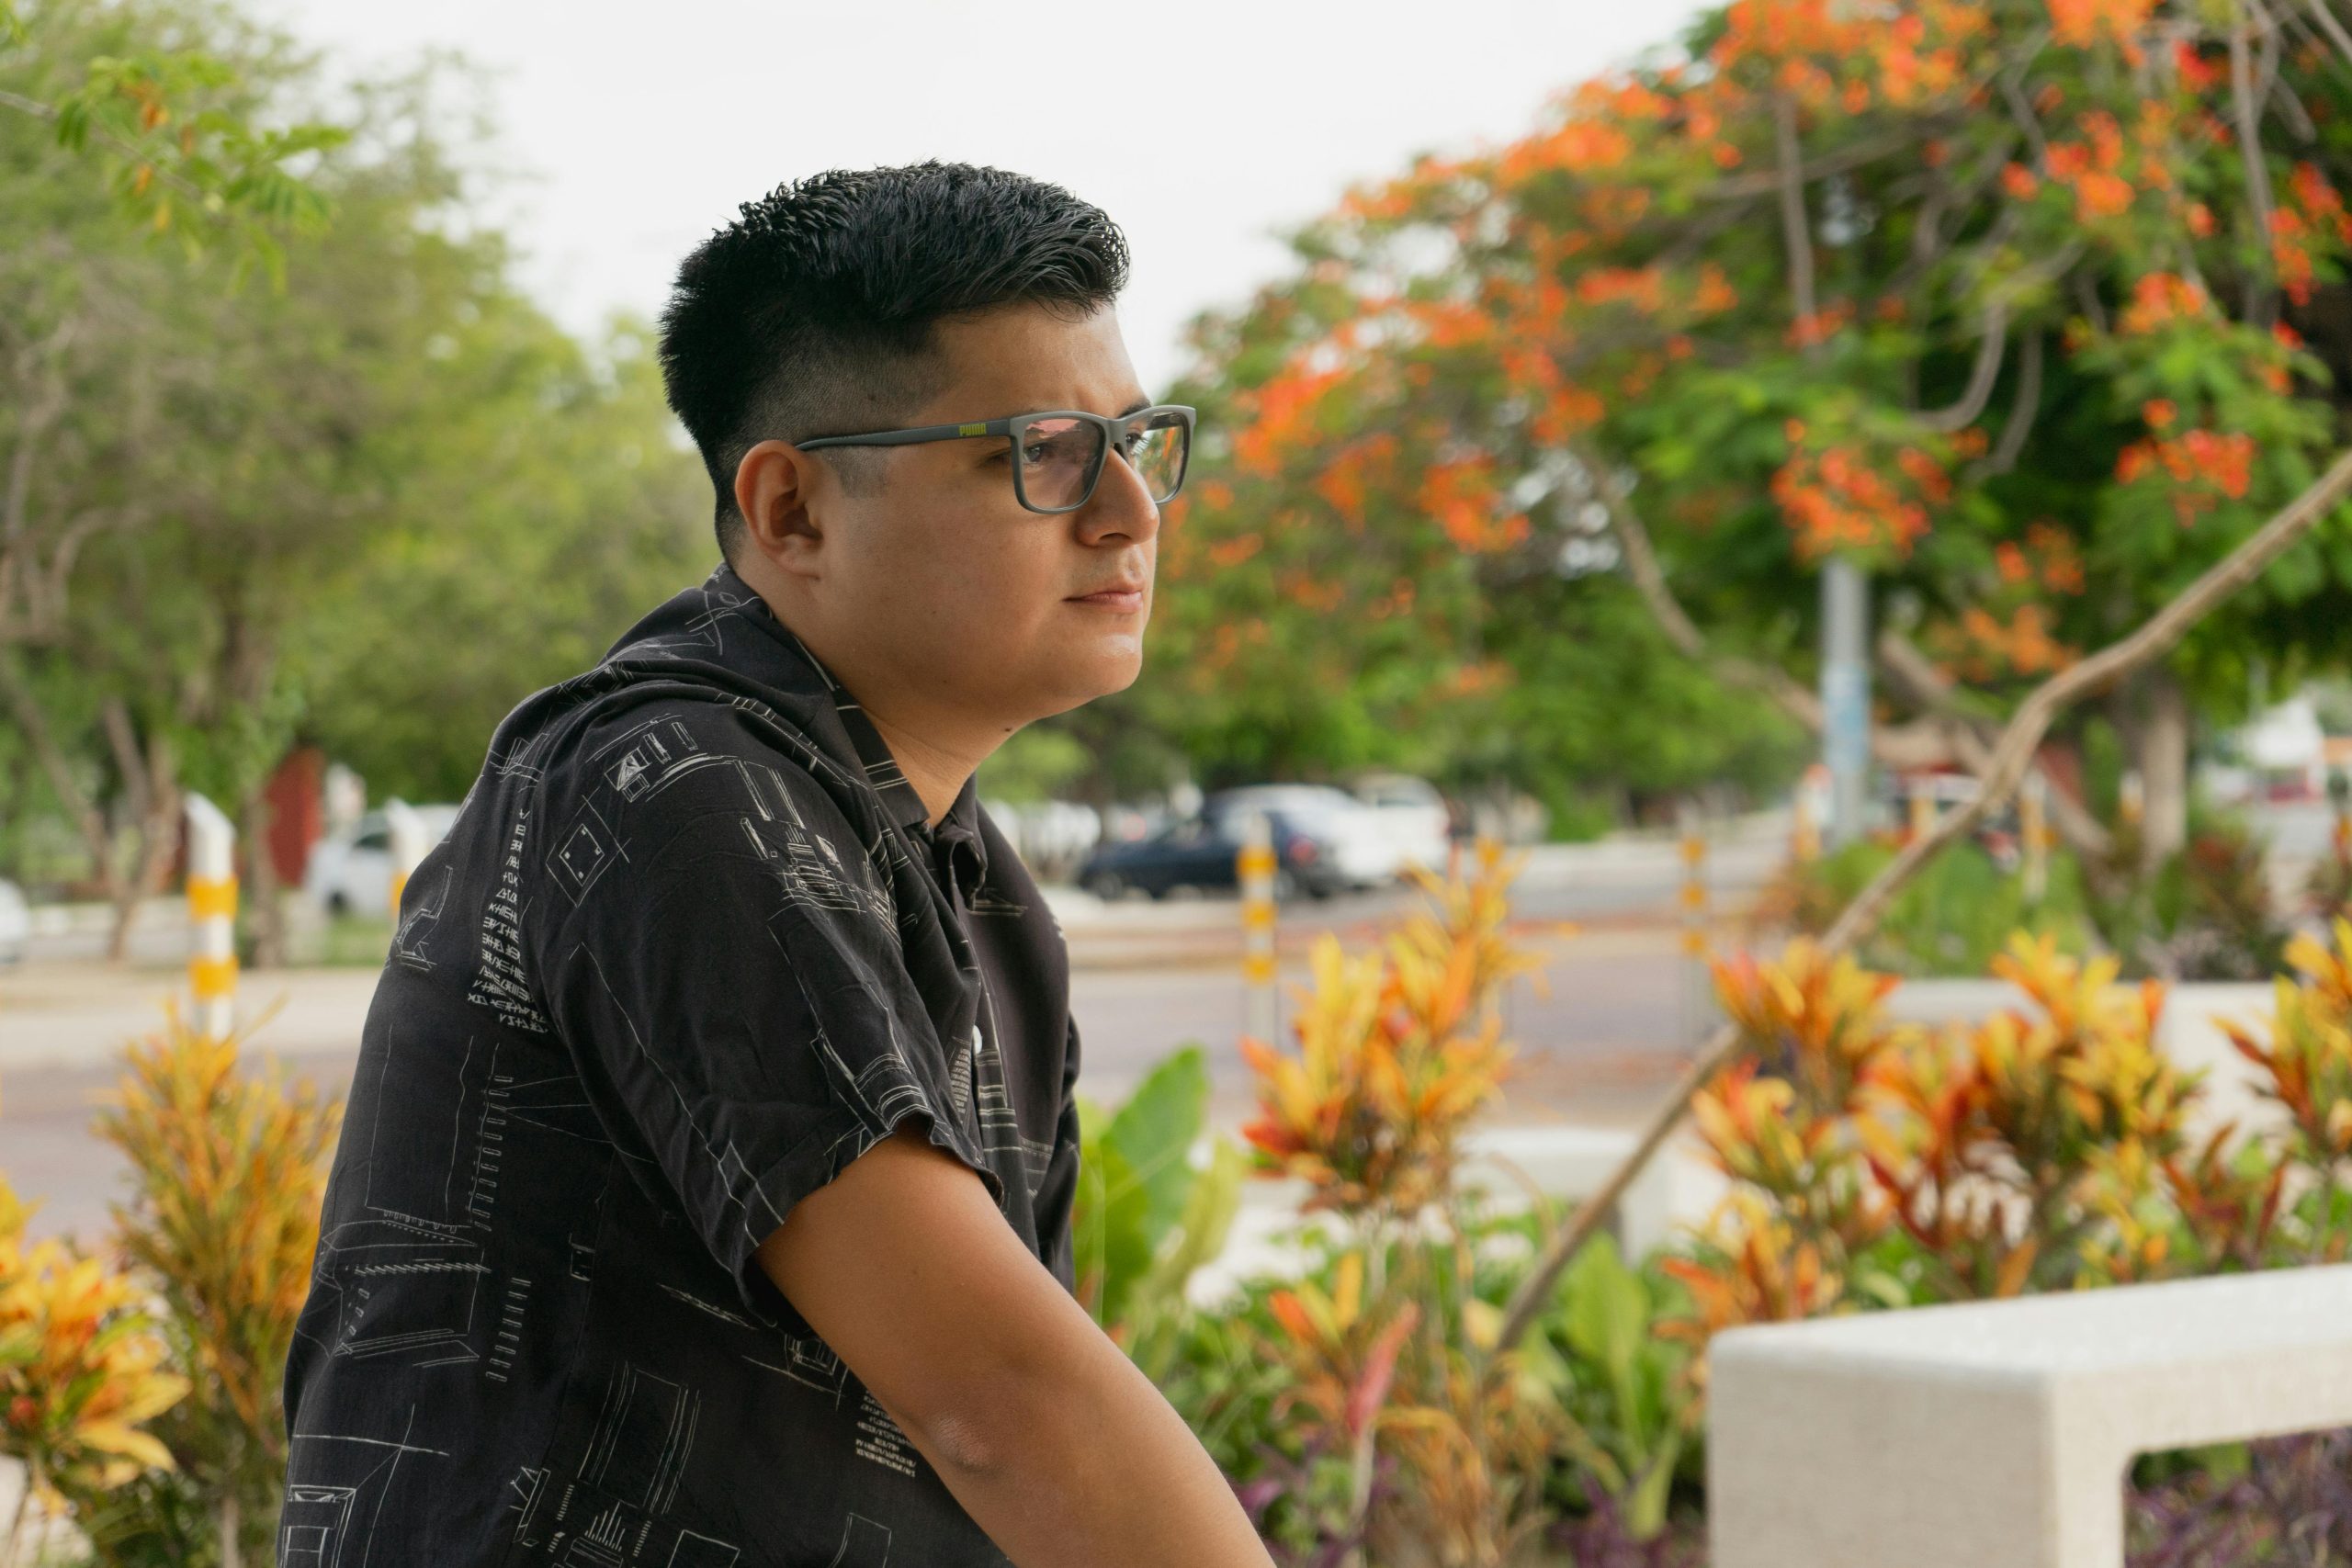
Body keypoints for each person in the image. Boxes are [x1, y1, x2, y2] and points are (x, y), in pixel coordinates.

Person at [278, 161, 1275, 1568]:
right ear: (792, 511)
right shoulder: (666, 793)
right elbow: (1005, 1411)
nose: (1131, 510)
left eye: (1141, 439)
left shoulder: (971, 883)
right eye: (1046, 452)